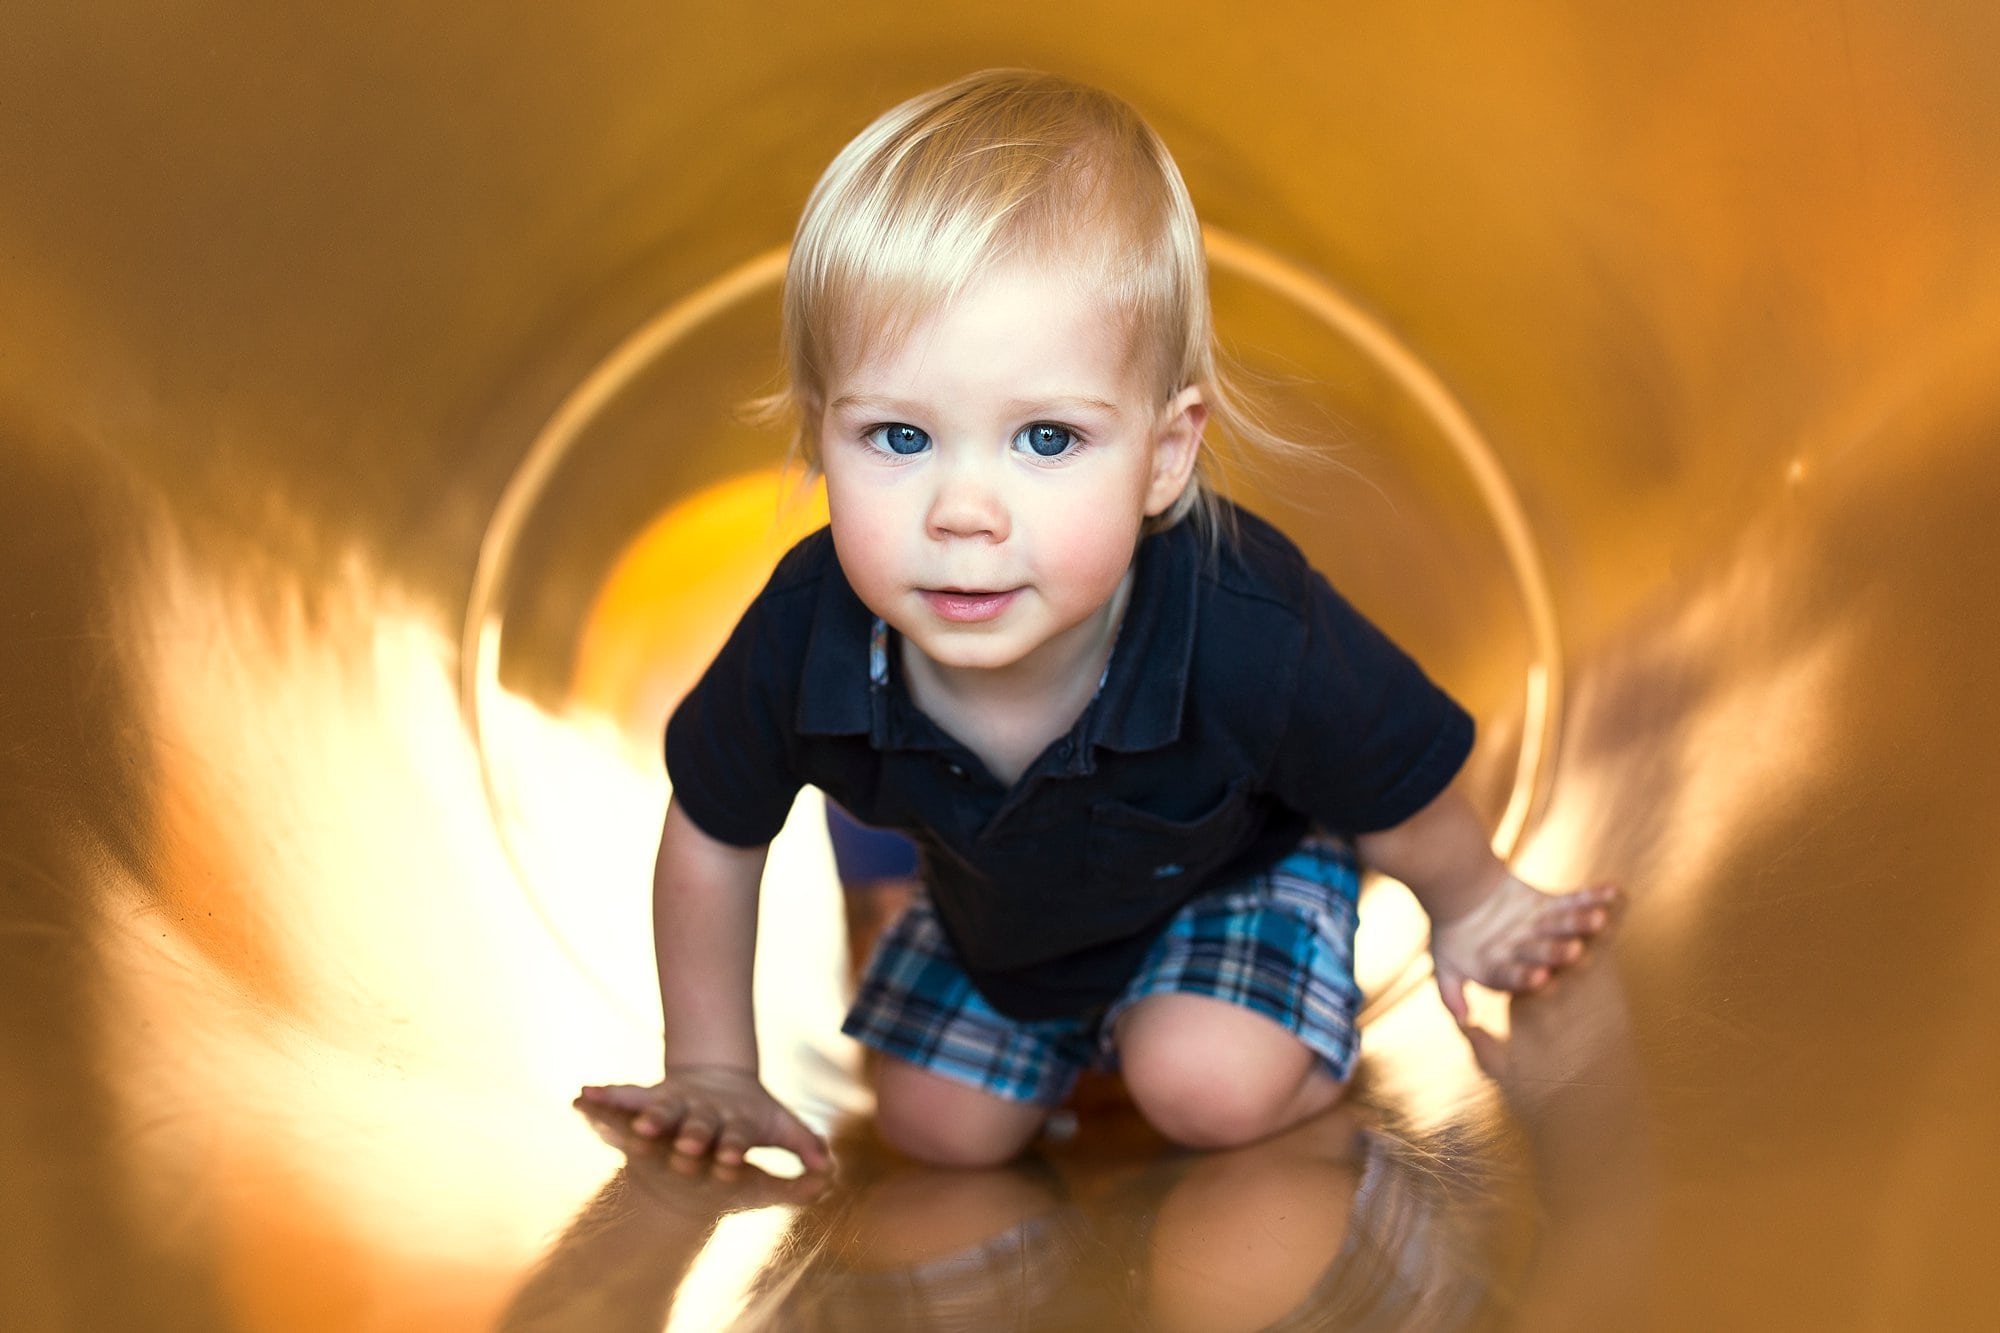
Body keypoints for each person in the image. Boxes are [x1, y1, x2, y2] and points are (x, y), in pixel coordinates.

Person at [579, 70, 1617, 1171]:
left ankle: (1245, 1022)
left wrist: (1477, 906)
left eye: (1044, 440)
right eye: (896, 436)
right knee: (933, 1133)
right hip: (1008, 917)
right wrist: (711, 1068)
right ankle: (1082, 1036)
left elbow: (1392, 778)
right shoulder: (808, 631)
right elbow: (711, 829)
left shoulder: (1243, 622)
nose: (962, 512)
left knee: (1200, 1084)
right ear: (816, 435)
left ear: (1164, 454)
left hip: (1232, 881)